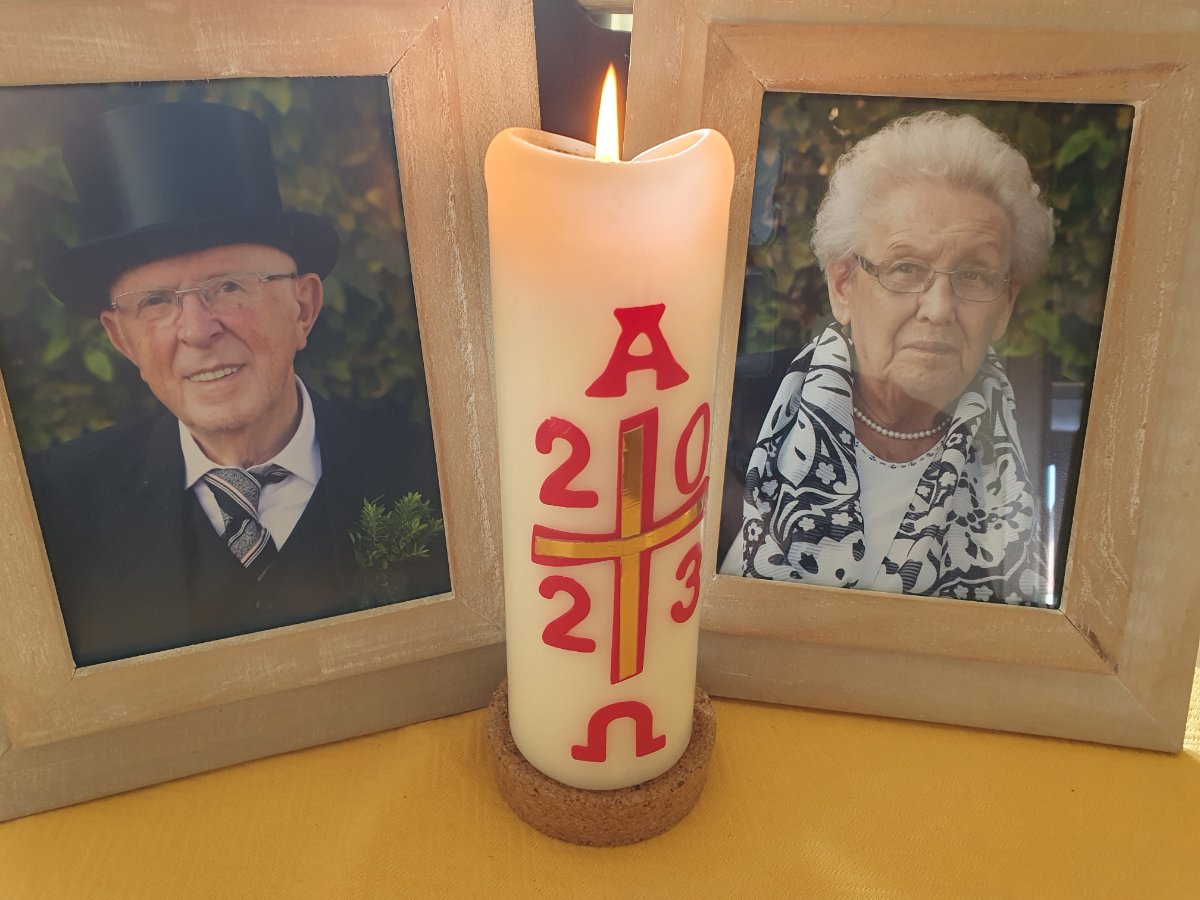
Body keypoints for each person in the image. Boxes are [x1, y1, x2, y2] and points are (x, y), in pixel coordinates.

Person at [28, 100, 450, 665]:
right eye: (155, 302)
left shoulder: (435, 472)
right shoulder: (49, 512)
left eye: (228, 287)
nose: (197, 330)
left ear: (303, 307)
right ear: (122, 339)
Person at [724, 111, 1053, 604]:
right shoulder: (729, 417)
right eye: (906, 267)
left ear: (1005, 304)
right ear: (843, 286)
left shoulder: (1045, 468)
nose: (939, 308)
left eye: (974, 275)